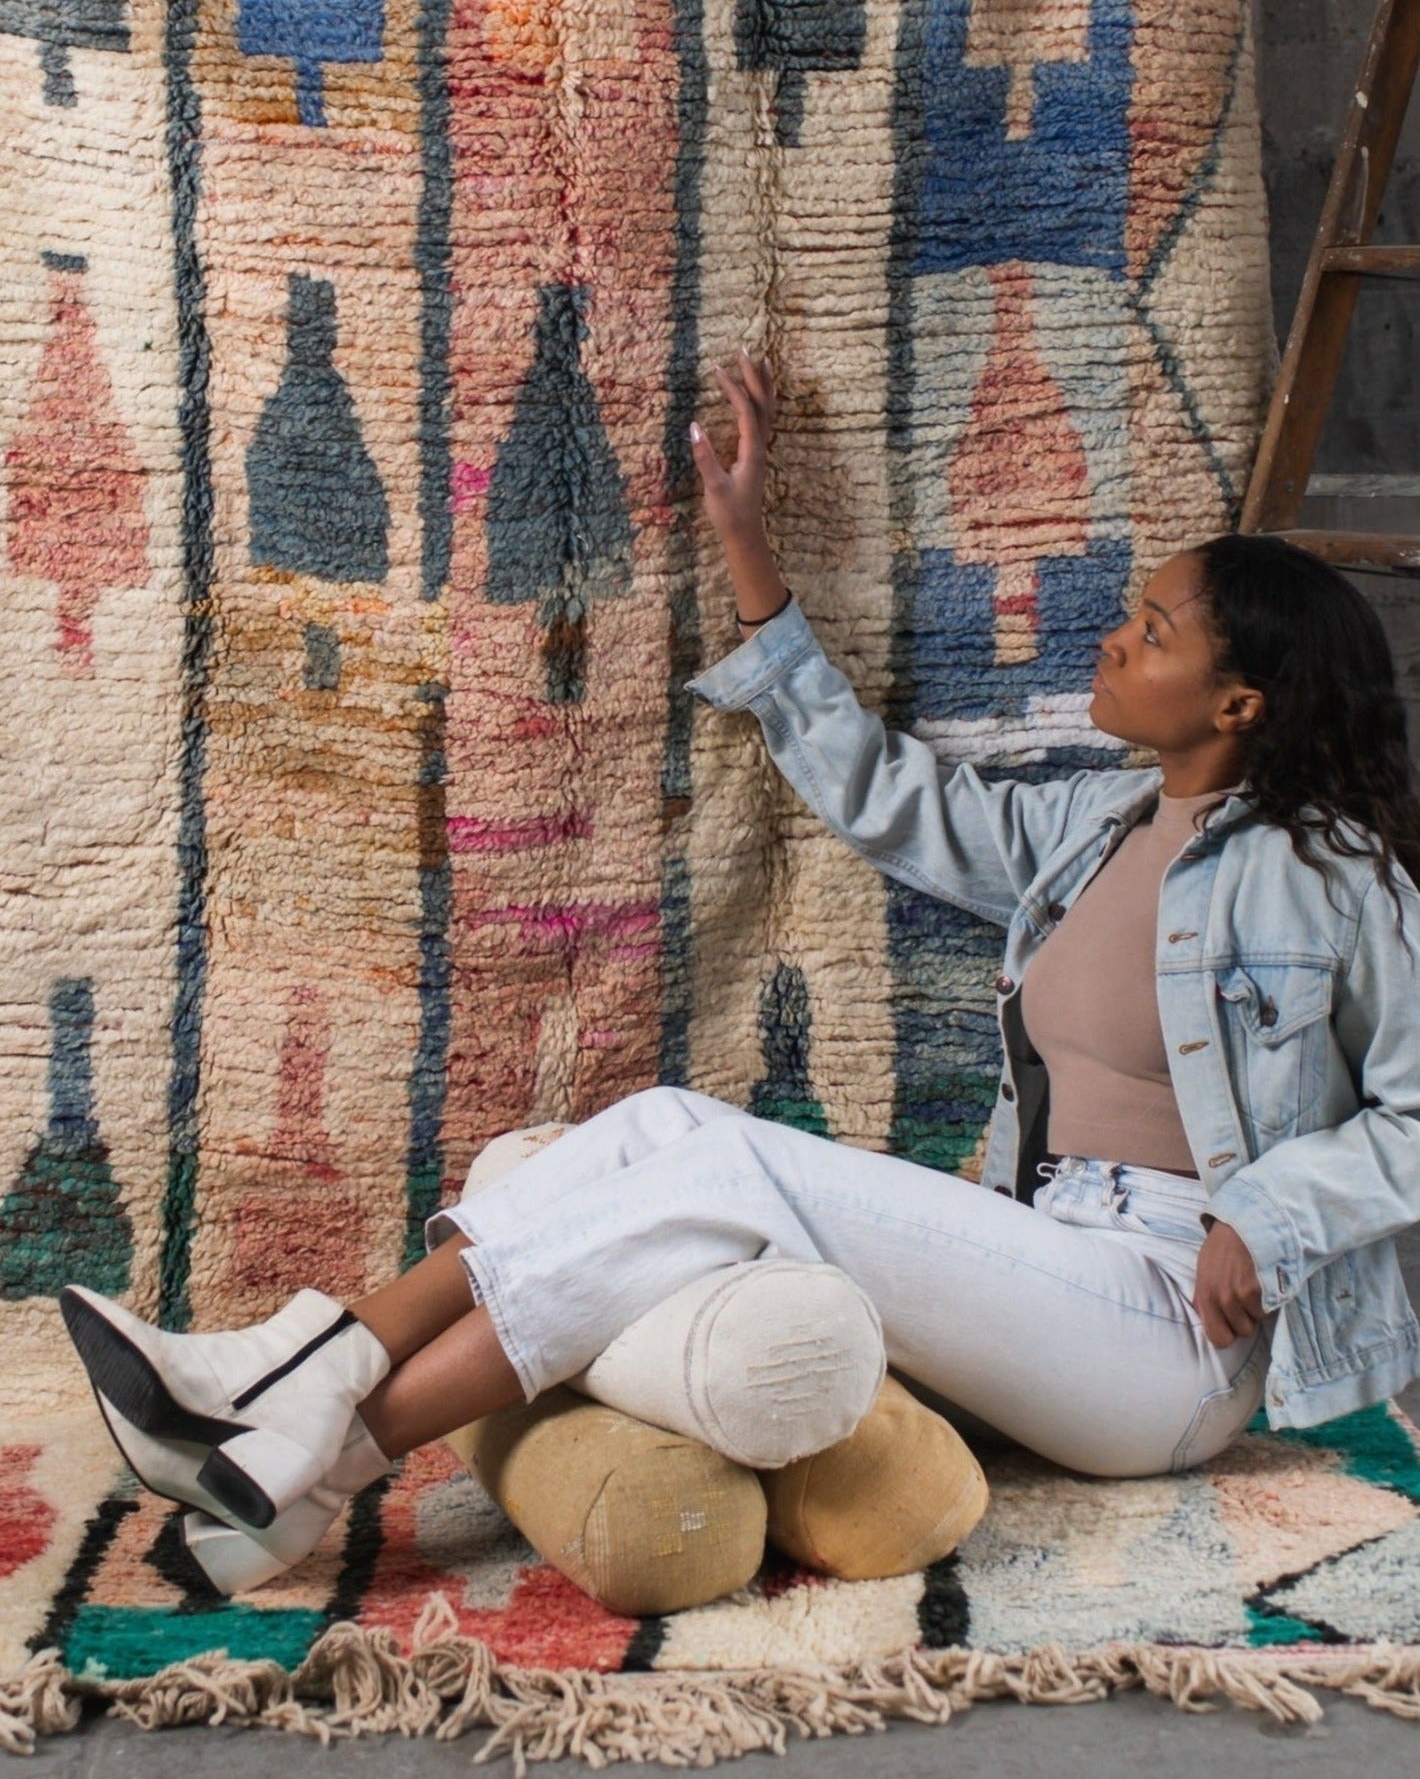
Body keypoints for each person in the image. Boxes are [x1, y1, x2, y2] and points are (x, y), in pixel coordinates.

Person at [61, 354, 1420, 1594]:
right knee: (658, 1126)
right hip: (1050, 1251)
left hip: (1168, 1331)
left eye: (1155, 629)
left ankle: (291, 1382)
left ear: (1241, 702)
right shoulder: (1092, 830)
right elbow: (887, 797)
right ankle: (304, 1442)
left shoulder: (1340, 878)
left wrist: (1277, 1212)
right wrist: (748, 552)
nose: (1116, 640)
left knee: (711, 1163)